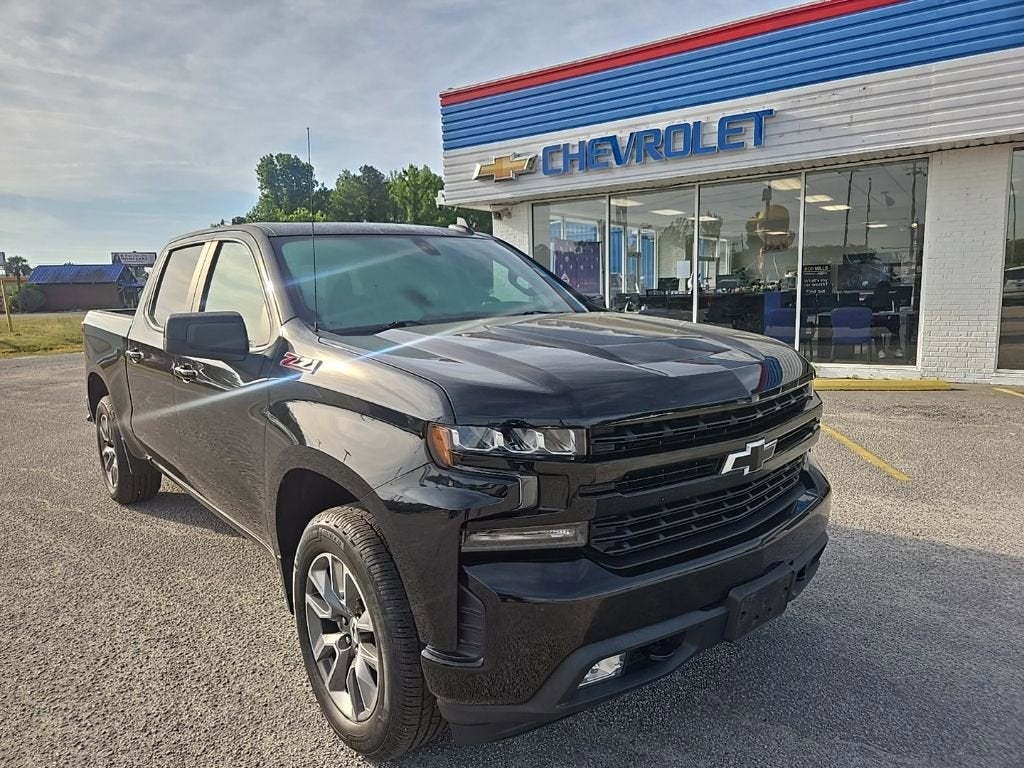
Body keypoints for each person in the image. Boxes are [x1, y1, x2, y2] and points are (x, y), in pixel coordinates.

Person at [870, 280, 903, 359]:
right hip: (876, 321)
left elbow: (894, 309)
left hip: (887, 320)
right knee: (876, 326)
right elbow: (866, 309)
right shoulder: (872, 298)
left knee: (895, 319)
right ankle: (879, 350)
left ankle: (895, 348)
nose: (885, 292)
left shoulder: (891, 298)